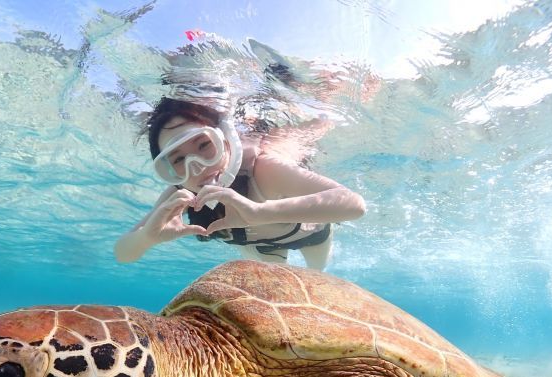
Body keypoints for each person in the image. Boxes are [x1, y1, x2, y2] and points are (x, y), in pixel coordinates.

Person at [114, 98, 365, 270]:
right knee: (277, 295)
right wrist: (147, 238)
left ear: (227, 141)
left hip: (312, 237)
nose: (197, 166)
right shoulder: (179, 195)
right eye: (178, 160)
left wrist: (259, 213)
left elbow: (353, 204)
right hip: (261, 249)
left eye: (204, 145)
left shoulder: (261, 169)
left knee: (316, 278)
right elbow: (124, 254)